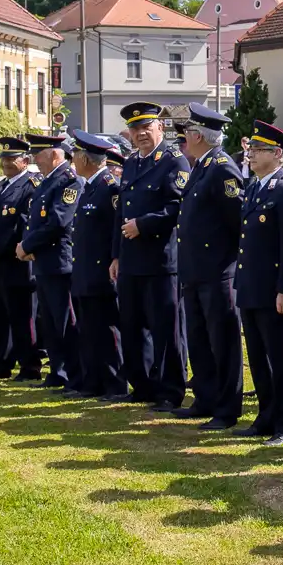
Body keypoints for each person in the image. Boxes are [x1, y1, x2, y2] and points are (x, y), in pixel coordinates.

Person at [174, 103, 245, 428]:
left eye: (188, 133)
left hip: (217, 271)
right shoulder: (202, 166)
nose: (185, 139)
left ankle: (226, 408)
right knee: (199, 339)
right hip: (196, 270)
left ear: (198, 136)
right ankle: (205, 398)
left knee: (222, 342)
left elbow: (237, 222)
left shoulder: (221, 168)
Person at [111, 102, 186, 408]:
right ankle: (142, 385)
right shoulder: (131, 163)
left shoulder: (173, 162)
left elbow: (177, 207)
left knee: (164, 329)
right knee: (132, 326)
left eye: (146, 127)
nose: (140, 134)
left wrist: (143, 225)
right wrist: (116, 255)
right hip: (131, 259)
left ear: (160, 127)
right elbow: (121, 212)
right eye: (135, 129)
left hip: (159, 260)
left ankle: (169, 390)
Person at [237, 121, 283, 444]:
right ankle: (267, 415)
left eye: (258, 150)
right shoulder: (255, 187)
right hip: (251, 285)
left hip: (273, 289)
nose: (250, 155)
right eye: (250, 149)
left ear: (278, 154)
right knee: (259, 356)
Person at [69, 132, 126, 399]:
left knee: (106, 330)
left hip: (101, 272)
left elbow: (116, 232)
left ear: (84, 159)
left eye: (75, 156)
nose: (73, 161)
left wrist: (114, 261)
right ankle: (92, 382)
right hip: (85, 271)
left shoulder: (109, 187)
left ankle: (114, 383)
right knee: (89, 329)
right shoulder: (90, 186)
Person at [20, 133, 79, 391]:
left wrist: (27, 245)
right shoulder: (47, 181)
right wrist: (28, 245)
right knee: (50, 321)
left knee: (65, 321)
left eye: (39, 155)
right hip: (44, 261)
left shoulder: (68, 181)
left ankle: (72, 373)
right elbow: (34, 220)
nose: (35, 160)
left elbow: (57, 222)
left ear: (55, 154)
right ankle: (57, 370)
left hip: (59, 262)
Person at [0, 138, 39, 379]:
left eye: (12, 159)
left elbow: (22, 226)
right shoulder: (0, 186)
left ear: (25, 161)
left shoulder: (30, 186)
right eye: (4, 159)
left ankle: (29, 366)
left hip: (17, 263)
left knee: (22, 318)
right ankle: (0, 364)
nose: (6, 163)